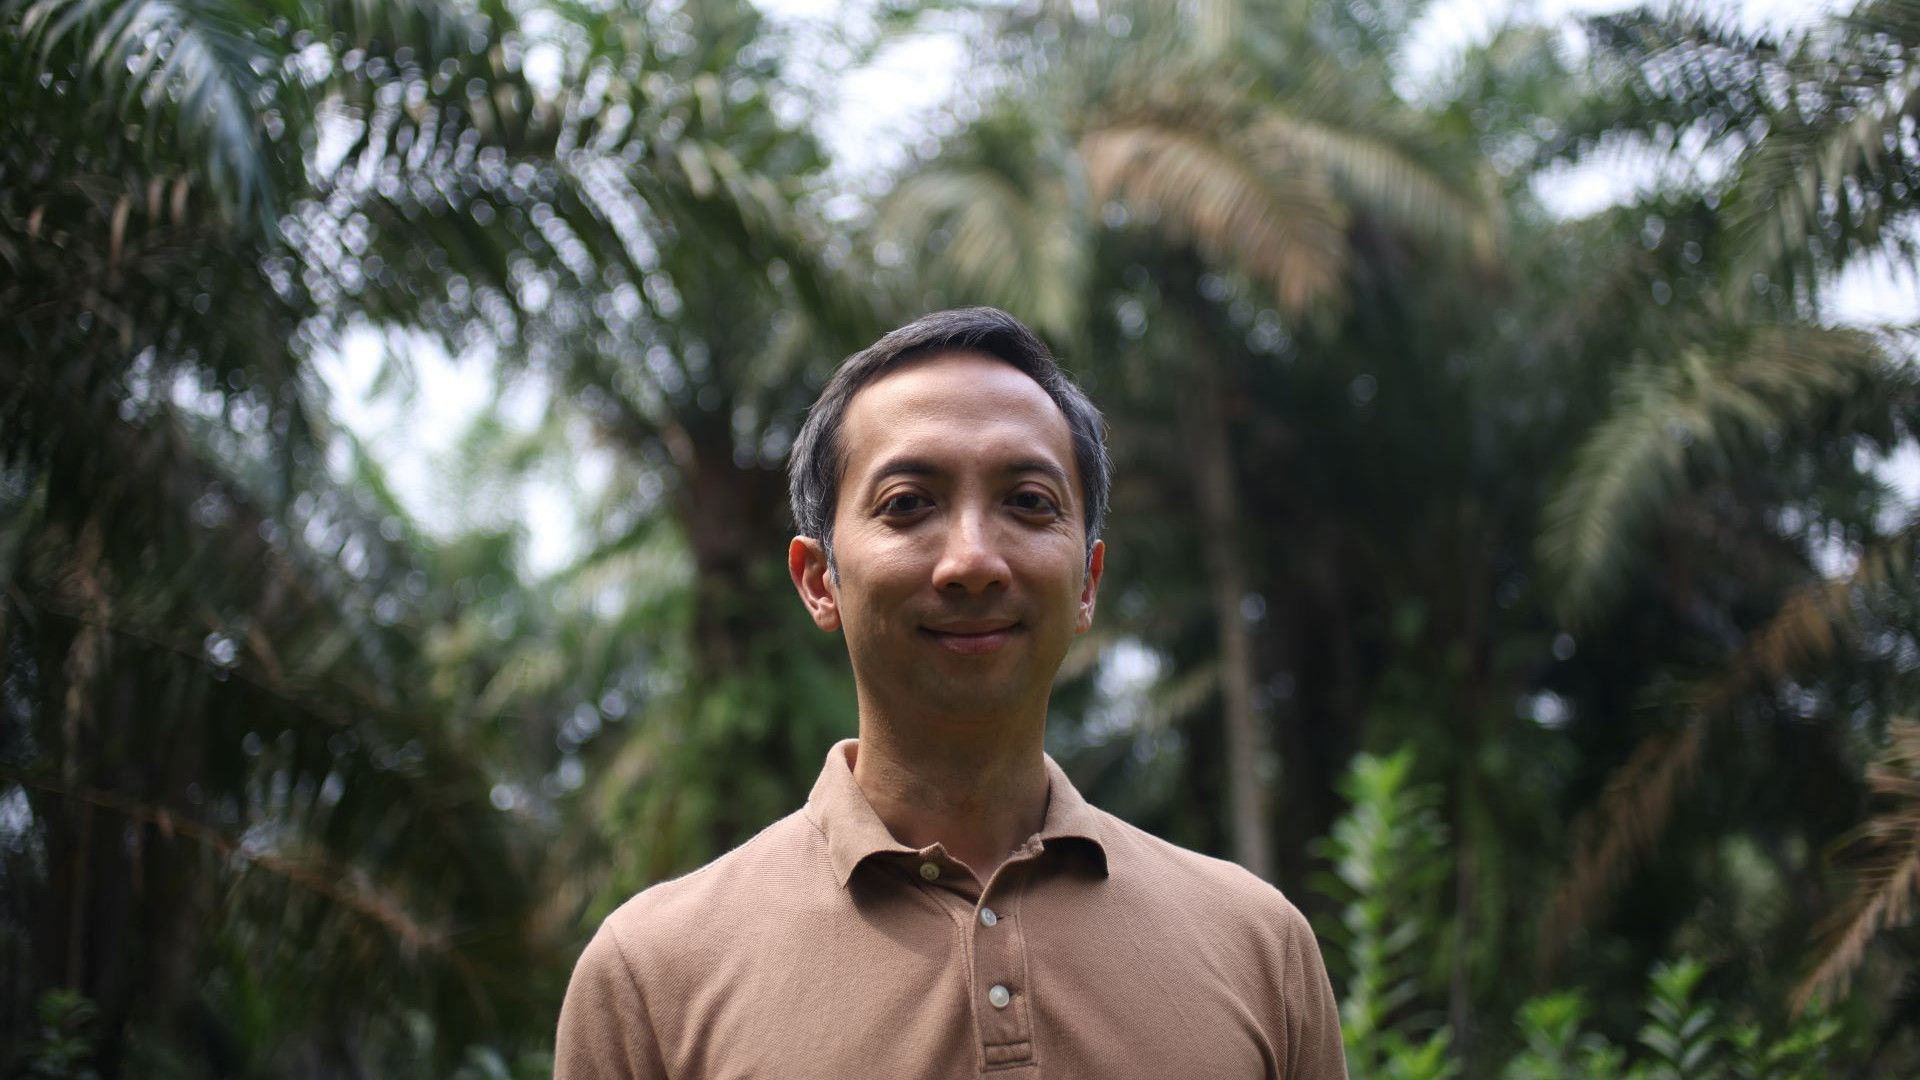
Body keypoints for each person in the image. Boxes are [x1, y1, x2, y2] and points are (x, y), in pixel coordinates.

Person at [554, 307, 1348, 1079]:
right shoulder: (651, 979)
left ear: (1087, 583)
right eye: (908, 504)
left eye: (1028, 502)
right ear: (820, 580)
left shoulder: (1258, 948)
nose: (972, 561)